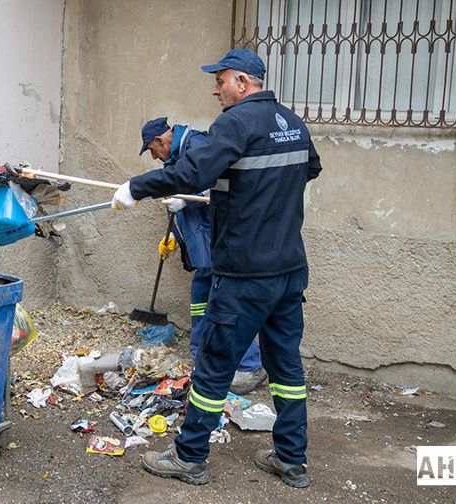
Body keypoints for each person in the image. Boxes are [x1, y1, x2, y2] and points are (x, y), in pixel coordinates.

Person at [113, 49, 322, 488]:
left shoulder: (235, 123)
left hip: (245, 273)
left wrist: (136, 187)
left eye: (220, 80)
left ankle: (189, 457)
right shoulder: (293, 123)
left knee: (214, 365)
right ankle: (291, 459)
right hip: (288, 269)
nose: (215, 90)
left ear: (242, 83)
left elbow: (191, 173)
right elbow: (311, 169)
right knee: (287, 370)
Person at [139, 117, 266, 394]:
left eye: (152, 150)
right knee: (200, 298)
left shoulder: (198, 145)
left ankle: (249, 366)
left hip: (220, 241)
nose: (154, 157)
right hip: (204, 248)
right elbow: (176, 194)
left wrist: (187, 200)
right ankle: (202, 356)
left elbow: (223, 181)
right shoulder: (176, 158)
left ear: (161, 141)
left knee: (226, 306)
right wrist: (174, 235)